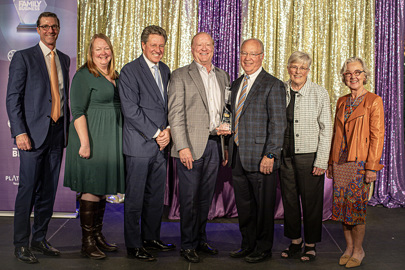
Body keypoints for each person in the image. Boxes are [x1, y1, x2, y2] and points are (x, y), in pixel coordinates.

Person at [6, 12, 70, 264]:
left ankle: (40, 239)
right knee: (28, 190)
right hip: (31, 135)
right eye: (45, 27)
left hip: (57, 132)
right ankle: (21, 244)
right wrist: (19, 132)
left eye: (54, 26)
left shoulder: (63, 59)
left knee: (49, 190)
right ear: (38, 29)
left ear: (59, 28)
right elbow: (13, 98)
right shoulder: (24, 58)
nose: (50, 30)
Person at [168, 32, 230, 263]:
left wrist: (224, 146)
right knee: (189, 198)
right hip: (190, 147)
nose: (203, 49)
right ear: (192, 48)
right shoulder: (180, 75)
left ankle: (200, 239)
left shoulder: (223, 76)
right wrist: (182, 146)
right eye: (198, 45)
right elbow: (175, 113)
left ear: (214, 47)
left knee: (205, 198)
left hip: (215, 144)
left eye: (207, 45)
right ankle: (187, 245)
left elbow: (225, 112)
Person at [223, 38, 286, 263]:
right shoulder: (236, 83)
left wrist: (271, 154)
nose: (247, 58)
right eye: (244, 53)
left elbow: (278, 125)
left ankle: (263, 248)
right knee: (245, 207)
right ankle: (247, 245)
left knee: (263, 208)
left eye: (253, 54)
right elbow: (231, 116)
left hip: (261, 158)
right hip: (239, 156)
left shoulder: (273, 84)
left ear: (261, 56)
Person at [63, 33, 125, 259]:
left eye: (106, 48)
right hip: (92, 137)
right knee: (91, 187)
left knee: (100, 188)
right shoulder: (84, 75)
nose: (103, 53)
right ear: (90, 53)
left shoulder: (115, 76)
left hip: (109, 139)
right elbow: (77, 110)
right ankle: (87, 242)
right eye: (98, 49)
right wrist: (86, 143)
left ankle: (97, 236)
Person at [119, 25, 175, 262]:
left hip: (161, 146)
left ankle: (151, 237)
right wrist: (157, 133)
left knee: (154, 197)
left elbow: (169, 106)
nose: (158, 49)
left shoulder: (165, 70)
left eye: (161, 45)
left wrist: (169, 132)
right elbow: (130, 110)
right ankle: (133, 245)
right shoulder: (130, 71)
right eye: (153, 45)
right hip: (139, 145)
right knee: (135, 198)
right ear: (143, 45)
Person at [326, 57, 384, 268]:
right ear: (344, 77)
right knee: (342, 209)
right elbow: (335, 133)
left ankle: (358, 250)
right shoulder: (342, 101)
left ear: (364, 75)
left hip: (360, 164)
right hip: (340, 163)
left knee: (356, 209)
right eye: (349, 73)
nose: (353, 76)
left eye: (357, 72)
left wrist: (372, 167)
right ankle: (348, 248)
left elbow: (377, 136)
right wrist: (331, 162)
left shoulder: (373, 101)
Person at [279, 51, 332, 262]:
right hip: (285, 156)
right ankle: (295, 241)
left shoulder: (319, 93)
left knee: (311, 202)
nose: (298, 71)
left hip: (309, 156)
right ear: (288, 68)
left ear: (309, 70)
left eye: (302, 67)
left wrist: (321, 160)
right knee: (290, 201)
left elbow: (326, 129)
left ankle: (310, 244)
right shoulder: (279, 89)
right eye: (294, 66)